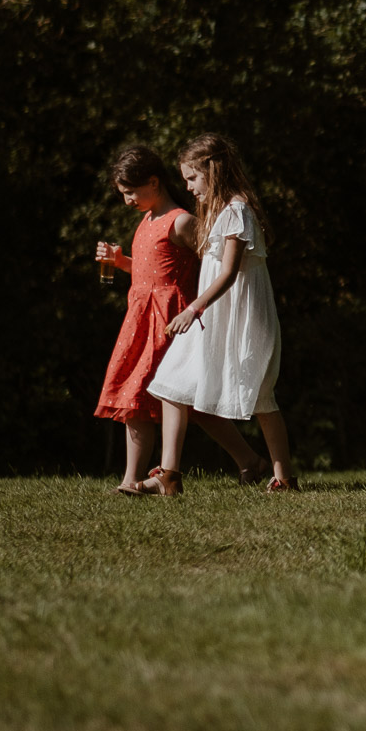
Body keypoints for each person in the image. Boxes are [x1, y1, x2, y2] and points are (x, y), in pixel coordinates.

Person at [95, 144, 272, 495]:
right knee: (138, 397)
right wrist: (122, 263)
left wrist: (196, 309)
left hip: (171, 317)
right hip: (142, 319)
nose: (127, 200)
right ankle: (133, 478)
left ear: (154, 182)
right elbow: (151, 272)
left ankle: (249, 461)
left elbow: (210, 265)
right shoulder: (147, 221)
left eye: (131, 192)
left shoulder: (182, 221)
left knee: (190, 398)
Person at [139, 133, 297, 495]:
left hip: (240, 320)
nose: (189, 187)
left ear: (214, 170)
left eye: (193, 178)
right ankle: (170, 475)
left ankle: (284, 477)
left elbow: (228, 273)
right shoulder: (220, 212)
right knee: (172, 382)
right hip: (214, 319)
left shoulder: (238, 211)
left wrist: (192, 309)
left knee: (259, 397)